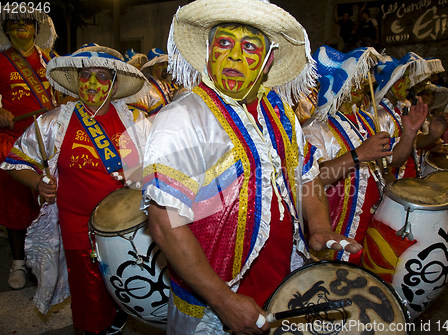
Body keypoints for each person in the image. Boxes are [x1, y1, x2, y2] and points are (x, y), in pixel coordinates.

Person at [141, 0, 361, 333]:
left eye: (249, 47)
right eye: (224, 43)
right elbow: (163, 224)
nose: (233, 57)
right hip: (212, 307)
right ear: (209, 51)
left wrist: (318, 226)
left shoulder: (279, 109)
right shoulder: (183, 117)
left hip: (281, 283)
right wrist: (223, 301)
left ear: (268, 59)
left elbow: (306, 175)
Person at [1, 50, 151, 335]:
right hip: (76, 222)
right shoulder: (54, 122)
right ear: (77, 81)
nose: (92, 82)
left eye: (102, 76)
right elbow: (14, 163)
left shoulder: (132, 121)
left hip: (123, 228)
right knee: (88, 288)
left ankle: (114, 317)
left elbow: (140, 174)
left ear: (115, 85)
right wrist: (38, 183)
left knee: (123, 281)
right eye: (85, 75)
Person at [303, 45, 427, 265]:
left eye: (365, 77)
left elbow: (393, 161)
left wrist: (409, 134)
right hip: (335, 230)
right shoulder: (317, 128)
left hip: (369, 226)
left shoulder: (367, 122)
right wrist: (358, 155)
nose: (365, 83)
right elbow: (313, 179)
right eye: (358, 78)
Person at [0, 6, 58, 290]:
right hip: (13, 141)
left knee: (48, 204)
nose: (20, 27)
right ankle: (18, 262)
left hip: (48, 143)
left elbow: (63, 96)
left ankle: (45, 260)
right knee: (16, 206)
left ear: (35, 28)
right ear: (6, 29)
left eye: (26, 23)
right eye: (14, 23)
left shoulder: (50, 59)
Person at [371, 52, 433, 179]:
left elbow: (415, 142)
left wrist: (434, 136)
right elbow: (389, 161)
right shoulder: (378, 115)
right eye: (403, 78)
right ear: (390, 84)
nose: (409, 81)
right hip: (395, 187)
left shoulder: (402, 108)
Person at [132, 48, 179, 118]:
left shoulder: (169, 87)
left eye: (167, 63)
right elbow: (141, 119)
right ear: (152, 67)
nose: (166, 67)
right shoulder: (145, 90)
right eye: (162, 64)